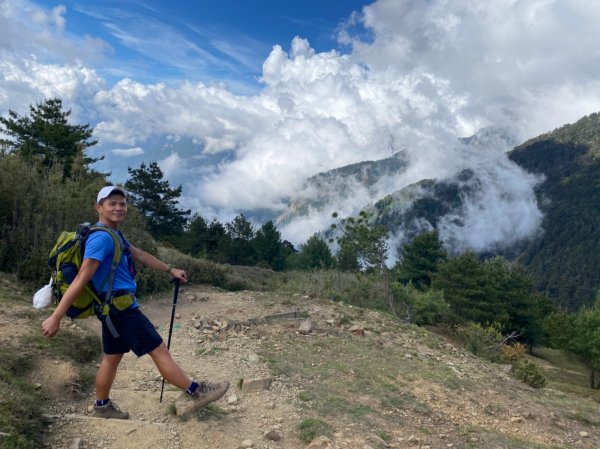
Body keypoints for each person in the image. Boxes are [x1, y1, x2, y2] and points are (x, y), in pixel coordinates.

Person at [42, 185, 229, 419]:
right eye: (112, 203)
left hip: (111, 310)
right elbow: (82, 277)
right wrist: (56, 316)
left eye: (122, 204)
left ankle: (102, 407)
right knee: (159, 349)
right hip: (121, 310)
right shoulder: (101, 239)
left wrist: (169, 269)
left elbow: (138, 254)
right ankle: (196, 391)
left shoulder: (113, 234)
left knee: (112, 357)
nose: (119, 208)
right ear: (98, 207)